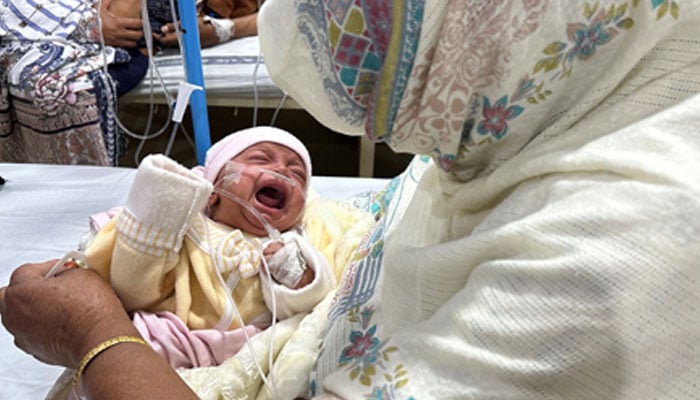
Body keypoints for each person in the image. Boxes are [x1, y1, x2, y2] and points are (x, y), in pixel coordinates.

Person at [2, 0, 700, 399]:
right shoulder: (527, 123)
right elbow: (130, 265)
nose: (282, 173)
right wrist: (161, 213)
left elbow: (326, 271)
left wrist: (98, 337)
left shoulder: (610, 261)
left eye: (296, 169)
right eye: (254, 160)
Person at [76, 126, 334, 368]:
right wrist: (160, 209)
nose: (282, 170)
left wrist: (297, 274)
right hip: (163, 346)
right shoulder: (187, 227)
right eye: (260, 159)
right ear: (213, 191)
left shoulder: (293, 240)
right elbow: (132, 290)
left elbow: (317, 305)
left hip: (248, 357)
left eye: (298, 174)